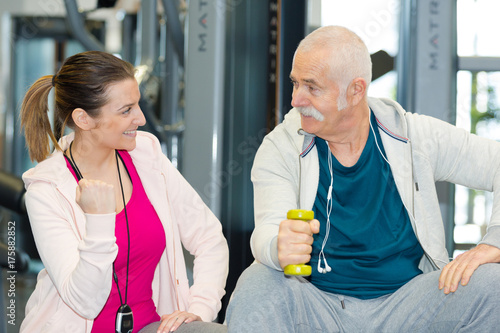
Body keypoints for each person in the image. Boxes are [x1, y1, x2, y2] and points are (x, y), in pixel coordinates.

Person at [225, 26, 500, 332]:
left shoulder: (415, 136)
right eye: (295, 84)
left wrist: (494, 241)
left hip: (408, 305)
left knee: (492, 283)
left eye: (312, 88)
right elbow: (265, 231)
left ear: (356, 90)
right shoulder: (281, 147)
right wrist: (277, 247)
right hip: (318, 306)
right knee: (257, 282)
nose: (296, 100)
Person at [19, 51, 229, 333]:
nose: (141, 118)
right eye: (126, 110)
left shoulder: (147, 154)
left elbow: (208, 238)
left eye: (137, 105)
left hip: (151, 326)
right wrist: (99, 220)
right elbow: (85, 302)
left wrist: (198, 310)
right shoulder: (46, 189)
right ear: (83, 119)